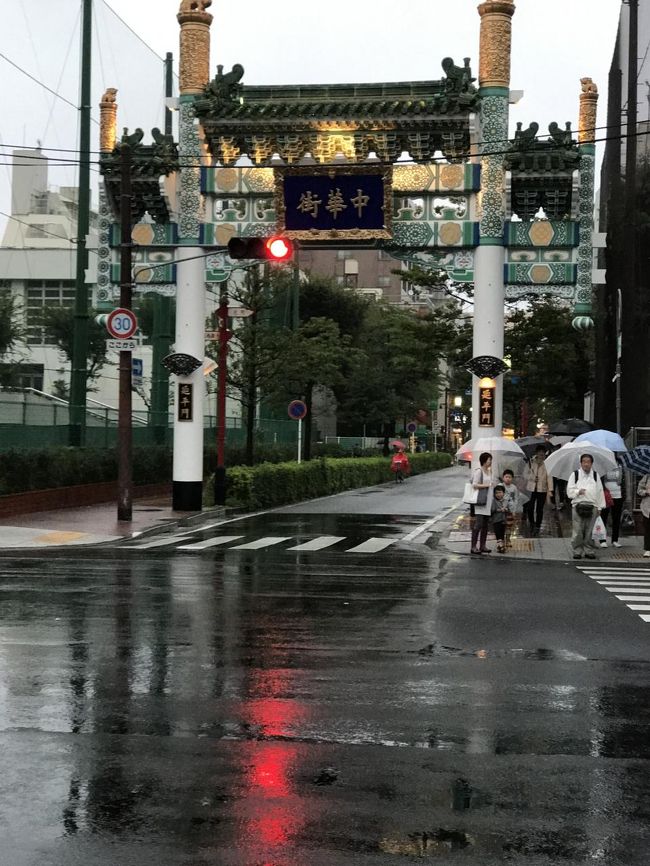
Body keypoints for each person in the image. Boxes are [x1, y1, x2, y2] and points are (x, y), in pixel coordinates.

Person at [566, 453, 606, 560]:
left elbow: (600, 492)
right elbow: (569, 491)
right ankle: (577, 550)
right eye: (584, 462)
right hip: (578, 506)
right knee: (578, 530)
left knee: (590, 530)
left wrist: (600, 507)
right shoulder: (575, 475)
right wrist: (578, 492)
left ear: (592, 463)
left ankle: (589, 550)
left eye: (588, 462)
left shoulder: (595, 476)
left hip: (592, 506)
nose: (586, 464)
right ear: (581, 463)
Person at [524, 445, 552, 534]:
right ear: (536, 453)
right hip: (531, 489)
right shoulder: (530, 462)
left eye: (543, 454)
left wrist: (550, 490)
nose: (541, 456)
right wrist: (532, 478)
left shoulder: (547, 463)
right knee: (530, 508)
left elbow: (549, 477)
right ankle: (532, 523)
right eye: (540, 454)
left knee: (540, 509)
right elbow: (525, 475)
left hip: (542, 489)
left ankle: (538, 526)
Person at [470, 452, 493, 554]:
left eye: (491, 459)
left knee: (485, 524)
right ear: (484, 460)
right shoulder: (479, 471)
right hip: (480, 501)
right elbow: (474, 485)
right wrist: (486, 485)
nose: (490, 461)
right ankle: (473, 546)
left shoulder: (489, 471)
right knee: (478, 524)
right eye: (489, 459)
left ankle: (482, 545)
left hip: (488, 501)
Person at [600, 460, 624, 548]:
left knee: (616, 518)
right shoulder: (603, 465)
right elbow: (601, 480)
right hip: (607, 495)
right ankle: (602, 540)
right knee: (604, 517)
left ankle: (615, 540)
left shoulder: (620, 465)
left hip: (618, 495)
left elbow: (623, 481)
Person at [500, 468, 523, 548]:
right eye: (506, 477)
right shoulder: (500, 486)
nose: (508, 479)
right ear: (503, 477)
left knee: (509, 525)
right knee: (501, 525)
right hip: (501, 510)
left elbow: (516, 498)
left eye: (510, 477)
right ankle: (501, 540)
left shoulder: (514, 488)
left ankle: (508, 539)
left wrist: (514, 510)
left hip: (511, 510)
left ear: (512, 478)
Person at [491, 484, 509, 553]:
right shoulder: (493, 501)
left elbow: (509, 508)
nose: (498, 494)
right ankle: (500, 546)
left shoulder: (506, 501)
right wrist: (499, 510)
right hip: (496, 520)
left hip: (504, 520)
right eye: (496, 493)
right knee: (498, 533)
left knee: (502, 533)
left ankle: (501, 546)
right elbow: (492, 509)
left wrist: (506, 509)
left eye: (500, 492)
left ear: (503, 493)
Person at [637, 474, 650, 558]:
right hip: (647, 508)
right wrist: (646, 492)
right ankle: (648, 549)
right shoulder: (647, 477)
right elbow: (639, 490)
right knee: (648, 529)